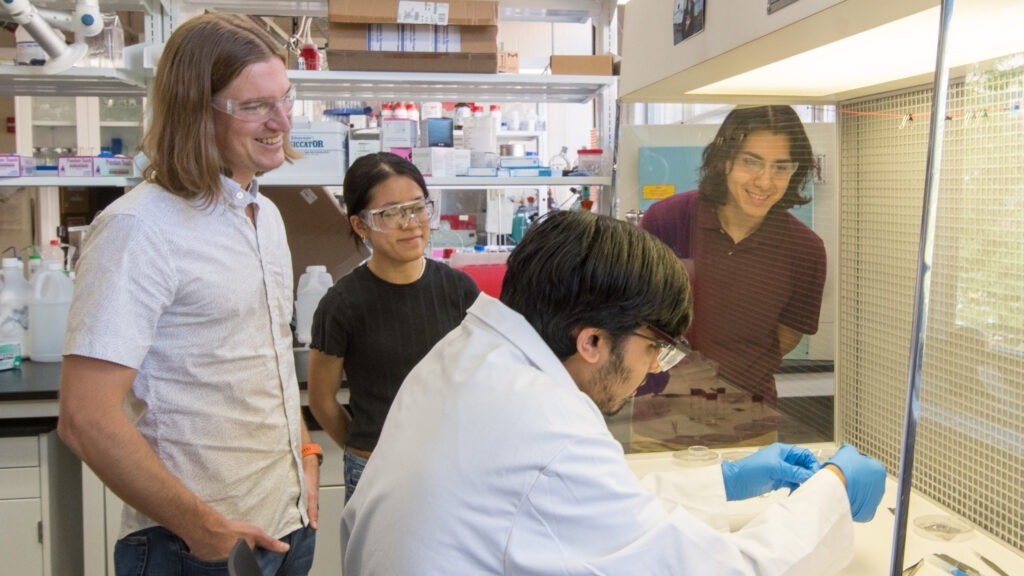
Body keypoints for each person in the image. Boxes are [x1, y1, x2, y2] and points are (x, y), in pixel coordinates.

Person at [340, 210, 886, 574]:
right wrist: (832, 491)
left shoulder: (467, 358)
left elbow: (583, 514)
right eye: (655, 348)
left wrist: (724, 483)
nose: (653, 371)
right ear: (595, 341)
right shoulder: (547, 427)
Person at [58, 13, 318, 575]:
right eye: (254, 106)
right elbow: (85, 417)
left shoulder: (263, 215)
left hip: (285, 528)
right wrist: (205, 530)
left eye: (285, 98)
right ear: (197, 113)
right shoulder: (139, 229)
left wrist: (307, 455)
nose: (281, 121)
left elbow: (265, 358)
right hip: (192, 549)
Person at [307, 152, 479, 501]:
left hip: (451, 466)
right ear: (360, 225)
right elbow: (321, 401)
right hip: (376, 472)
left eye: (417, 207)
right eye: (390, 213)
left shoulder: (459, 289)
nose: (411, 222)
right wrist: (367, 450)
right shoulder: (341, 304)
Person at [641, 105, 827, 405]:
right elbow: (629, 315)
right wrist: (671, 369)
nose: (765, 182)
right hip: (660, 408)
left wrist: (735, 368)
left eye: (781, 167)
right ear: (724, 160)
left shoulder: (806, 250)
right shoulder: (667, 220)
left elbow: (786, 337)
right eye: (751, 162)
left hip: (749, 415)